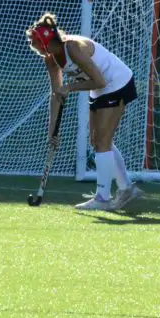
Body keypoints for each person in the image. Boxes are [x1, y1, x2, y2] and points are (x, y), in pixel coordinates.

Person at [26, 12, 142, 211]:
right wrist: (52, 131)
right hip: (99, 89)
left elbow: (100, 81)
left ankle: (102, 198)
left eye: (33, 42)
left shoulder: (74, 48)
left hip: (117, 82)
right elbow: (56, 95)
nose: (32, 46)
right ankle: (126, 189)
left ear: (44, 41)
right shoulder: (51, 59)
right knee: (96, 141)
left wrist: (70, 87)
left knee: (102, 142)